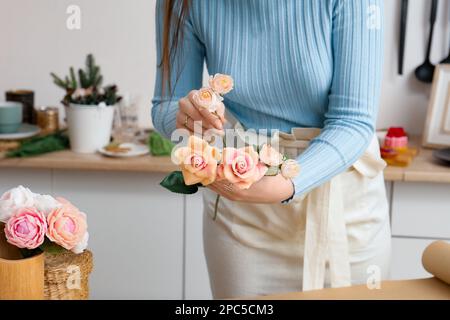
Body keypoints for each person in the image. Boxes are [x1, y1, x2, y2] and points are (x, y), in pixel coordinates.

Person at [152, 0, 390, 299]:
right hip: (242, 214)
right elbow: (164, 104)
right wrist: (185, 116)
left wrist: (288, 183)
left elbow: (353, 122)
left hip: (344, 206)